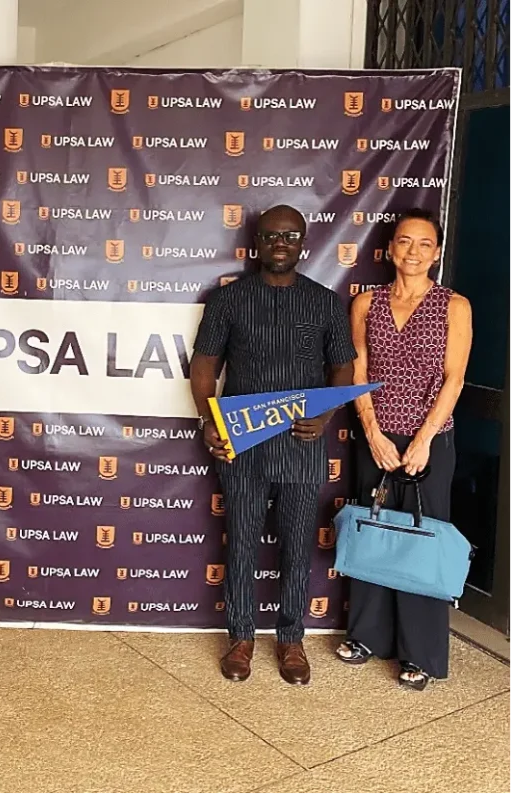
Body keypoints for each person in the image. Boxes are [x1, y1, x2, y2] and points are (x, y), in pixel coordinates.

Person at [190, 204, 357, 685]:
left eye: (290, 235)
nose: (280, 243)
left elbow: (342, 366)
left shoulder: (325, 302)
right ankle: (240, 638)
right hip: (242, 440)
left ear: (303, 243)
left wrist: (326, 413)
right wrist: (210, 420)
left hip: (302, 443)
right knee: (240, 540)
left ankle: (291, 639)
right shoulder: (229, 300)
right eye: (270, 235)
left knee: (298, 543)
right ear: (256, 243)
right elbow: (205, 366)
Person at [337, 209, 472, 690]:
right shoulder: (365, 303)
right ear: (390, 249)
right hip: (376, 437)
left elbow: (454, 378)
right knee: (375, 531)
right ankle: (368, 635)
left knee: (421, 538)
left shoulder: (454, 306)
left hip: (430, 440)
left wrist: (423, 440)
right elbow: (359, 369)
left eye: (423, 244)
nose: (413, 252)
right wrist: (372, 433)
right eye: (404, 242)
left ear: (435, 252)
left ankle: (421, 653)